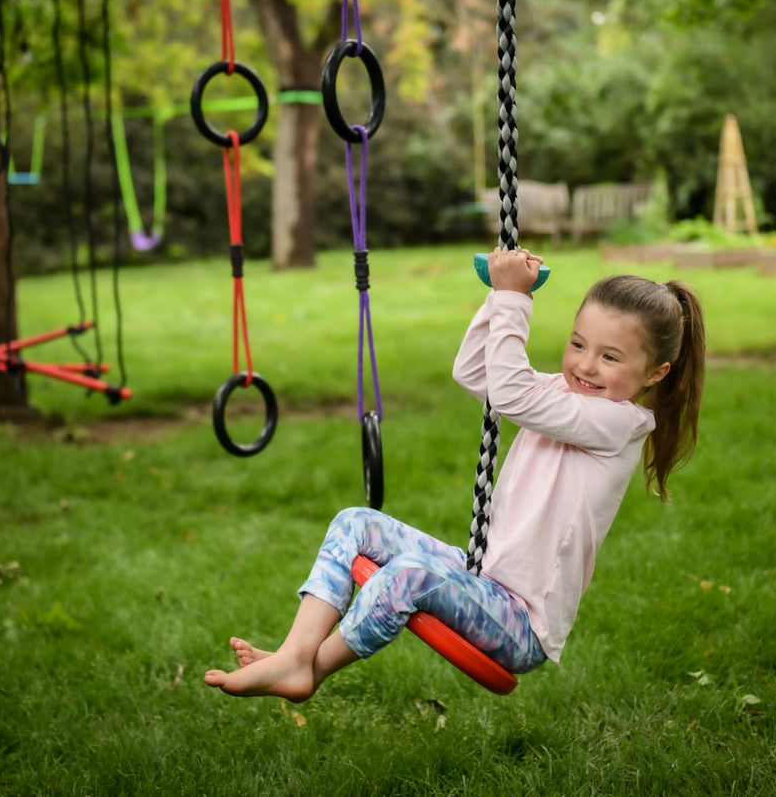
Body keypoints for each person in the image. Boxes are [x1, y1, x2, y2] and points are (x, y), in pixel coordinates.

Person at [204, 248, 706, 701]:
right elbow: (474, 372)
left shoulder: (618, 423)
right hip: (482, 580)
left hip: (519, 624)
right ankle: (295, 654)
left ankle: (310, 670)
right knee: (355, 523)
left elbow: (509, 394)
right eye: (578, 344)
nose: (586, 365)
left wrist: (514, 299)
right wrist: (498, 296)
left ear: (655, 373)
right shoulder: (562, 393)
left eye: (610, 356)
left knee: (408, 575)